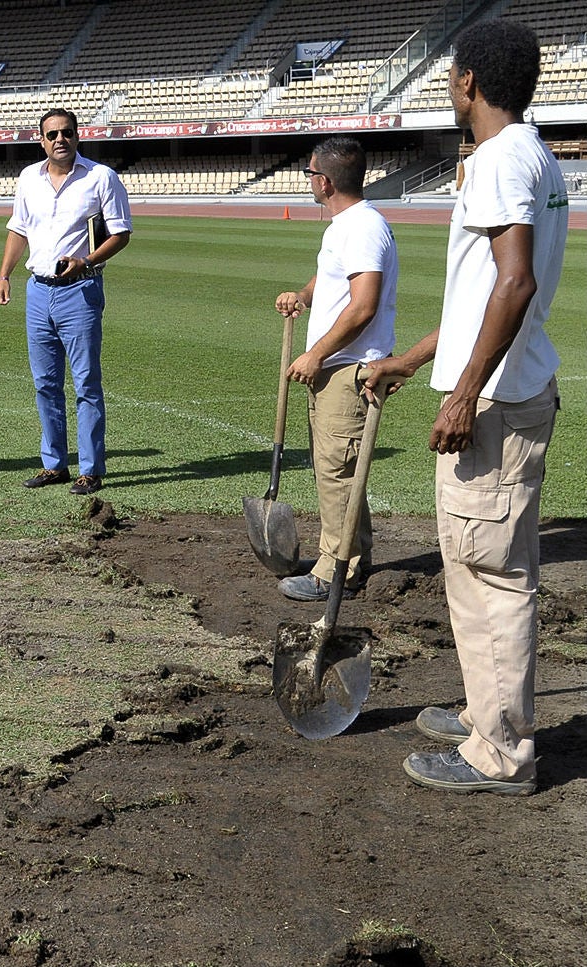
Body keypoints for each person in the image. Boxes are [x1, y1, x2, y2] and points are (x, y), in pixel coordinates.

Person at [363, 19, 568, 796]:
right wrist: (413, 360)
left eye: (450, 75)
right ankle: (489, 715)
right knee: (479, 566)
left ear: (468, 81)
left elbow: (513, 285)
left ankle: (502, 751)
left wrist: (465, 391)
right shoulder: (531, 154)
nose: (449, 86)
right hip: (505, 390)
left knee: (494, 576)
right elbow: (488, 296)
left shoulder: (498, 160)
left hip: (497, 405)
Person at [271, 137, 398, 602]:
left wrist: (317, 353)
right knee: (341, 470)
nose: (308, 180)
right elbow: (334, 278)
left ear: (323, 182)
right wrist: (302, 297)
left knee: (337, 473)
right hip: (338, 368)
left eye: (308, 173)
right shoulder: (345, 226)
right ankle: (349, 557)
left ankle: (333, 571)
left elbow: (362, 306)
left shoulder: (362, 228)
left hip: (348, 371)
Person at [0, 109, 132, 496]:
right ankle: (53, 465)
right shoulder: (28, 179)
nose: (60, 139)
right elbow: (18, 229)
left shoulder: (101, 177)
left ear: (77, 136)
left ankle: (90, 469)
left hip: (81, 289)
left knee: (86, 382)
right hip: (38, 291)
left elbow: (121, 234)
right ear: (41, 140)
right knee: (45, 383)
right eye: (52, 134)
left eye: (67, 133)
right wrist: (5, 274)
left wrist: (86, 260)